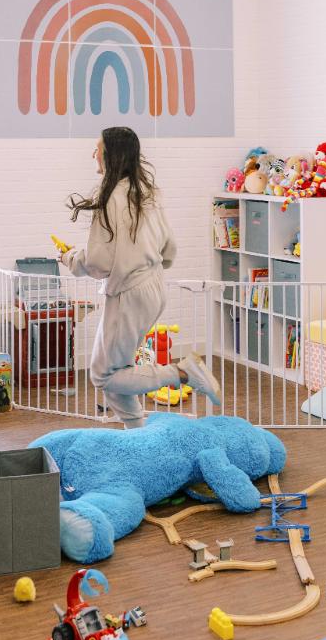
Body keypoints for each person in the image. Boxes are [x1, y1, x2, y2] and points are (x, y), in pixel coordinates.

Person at [61, 126, 220, 427]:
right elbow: (169, 246)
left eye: (97, 149)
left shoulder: (110, 198)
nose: (93, 154)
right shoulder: (147, 193)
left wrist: (72, 259)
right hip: (153, 284)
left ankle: (183, 372)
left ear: (110, 155)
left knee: (104, 374)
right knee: (112, 369)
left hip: (129, 291)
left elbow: (98, 261)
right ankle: (137, 431)